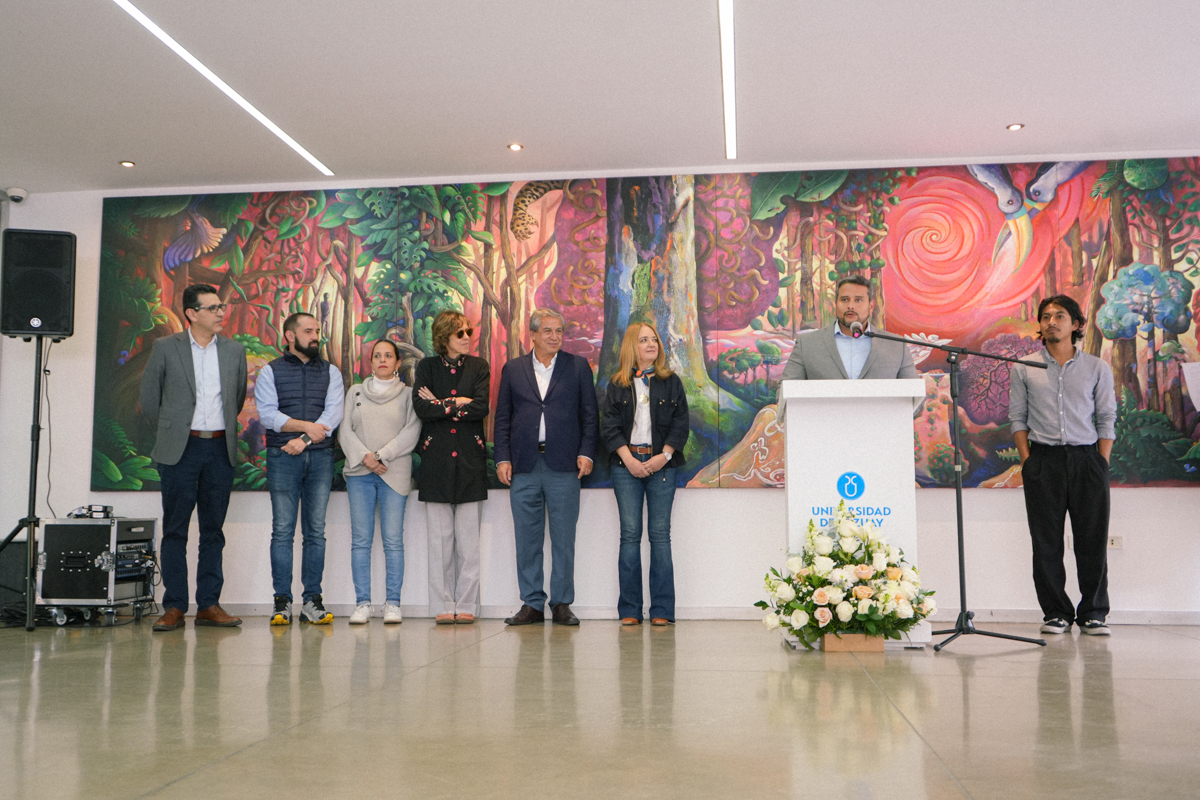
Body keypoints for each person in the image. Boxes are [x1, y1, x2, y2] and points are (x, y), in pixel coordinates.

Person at [139, 284, 248, 631]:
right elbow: (149, 398)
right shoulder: (165, 347)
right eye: (212, 308)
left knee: (213, 531)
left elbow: (237, 398)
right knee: (175, 530)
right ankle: (174, 606)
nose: (220, 313)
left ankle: (209, 605)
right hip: (180, 450)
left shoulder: (234, 351)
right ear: (191, 313)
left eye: (221, 307)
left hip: (219, 449)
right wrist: (173, 432)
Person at [1009, 295, 1117, 636]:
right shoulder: (1024, 367)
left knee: (1092, 540)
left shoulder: (1096, 368)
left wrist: (1101, 462)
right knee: (1046, 542)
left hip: (1087, 459)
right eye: (1045, 317)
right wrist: (1028, 462)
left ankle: (1094, 613)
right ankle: (1056, 612)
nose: (1051, 322)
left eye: (1059, 316)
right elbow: (1017, 418)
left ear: (1076, 324)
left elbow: (1106, 417)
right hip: (1044, 461)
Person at [494, 308, 598, 626]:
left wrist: (587, 453)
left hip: (564, 465)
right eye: (548, 331)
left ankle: (562, 603)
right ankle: (532, 604)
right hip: (524, 465)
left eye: (559, 331)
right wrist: (502, 458)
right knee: (527, 539)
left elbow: (590, 415)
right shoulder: (513, 369)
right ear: (533, 335)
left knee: (564, 539)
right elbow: (502, 417)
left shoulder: (577, 367)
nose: (555, 337)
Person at [255, 312, 345, 626]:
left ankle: (312, 601)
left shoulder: (332, 372)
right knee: (282, 531)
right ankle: (281, 603)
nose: (315, 336)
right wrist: (306, 428)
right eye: (308, 331)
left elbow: (332, 416)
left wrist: (303, 439)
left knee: (315, 532)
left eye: (317, 331)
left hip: (320, 458)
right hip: (282, 457)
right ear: (290, 336)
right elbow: (268, 415)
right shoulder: (270, 371)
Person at [601, 321, 690, 626]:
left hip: (662, 467)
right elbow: (610, 427)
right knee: (629, 536)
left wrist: (664, 457)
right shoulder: (617, 384)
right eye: (644, 340)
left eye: (654, 339)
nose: (652, 344)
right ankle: (629, 609)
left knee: (660, 536)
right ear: (631, 346)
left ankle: (662, 610)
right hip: (626, 466)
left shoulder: (671, 382)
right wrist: (629, 460)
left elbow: (681, 423)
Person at [413, 311, 490, 624]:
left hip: (470, 460)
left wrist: (441, 404)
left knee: (469, 544)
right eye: (460, 333)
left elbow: (481, 407)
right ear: (444, 336)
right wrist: (458, 402)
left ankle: (467, 604)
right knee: (439, 542)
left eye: (469, 331)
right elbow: (422, 408)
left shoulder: (479, 366)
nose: (467, 337)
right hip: (437, 460)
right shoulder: (427, 367)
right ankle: (442, 604)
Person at [339, 339, 421, 625]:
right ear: (371, 361)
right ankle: (362, 604)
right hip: (359, 474)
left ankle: (393, 605)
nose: (382, 360)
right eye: (377, 356)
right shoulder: (355, 392)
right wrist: (366, 458)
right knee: (361, 541)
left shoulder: (409, 395)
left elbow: (411, 432)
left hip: (394, 474)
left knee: (393, 541)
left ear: (398, 362)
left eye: (388, 356)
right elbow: (344, 430)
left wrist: (380, 455)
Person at [777, 275, 918, 390]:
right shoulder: (807, 344)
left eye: (858, 300)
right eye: (844, 300)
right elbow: (785, 391)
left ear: (871, 306)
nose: (850, 305)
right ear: (836, 304)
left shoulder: (896, 346)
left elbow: (914, 397)